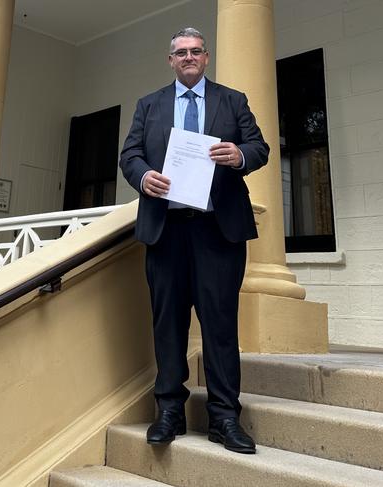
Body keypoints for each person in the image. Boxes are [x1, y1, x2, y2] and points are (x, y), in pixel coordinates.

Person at [119, 27, 269, 454]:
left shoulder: (232, 100)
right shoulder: (149, 105)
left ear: (207, 58)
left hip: (217, 230)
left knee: (220, 324)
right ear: (171, 61)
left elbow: (259, 147)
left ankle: (224, 416)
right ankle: (169, 411)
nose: (188, 57)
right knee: (168, 324)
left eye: (195, 51)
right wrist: (143, 175)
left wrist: (239, 155)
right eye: (180, 52)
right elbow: (130, 156)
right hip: (166, 231)